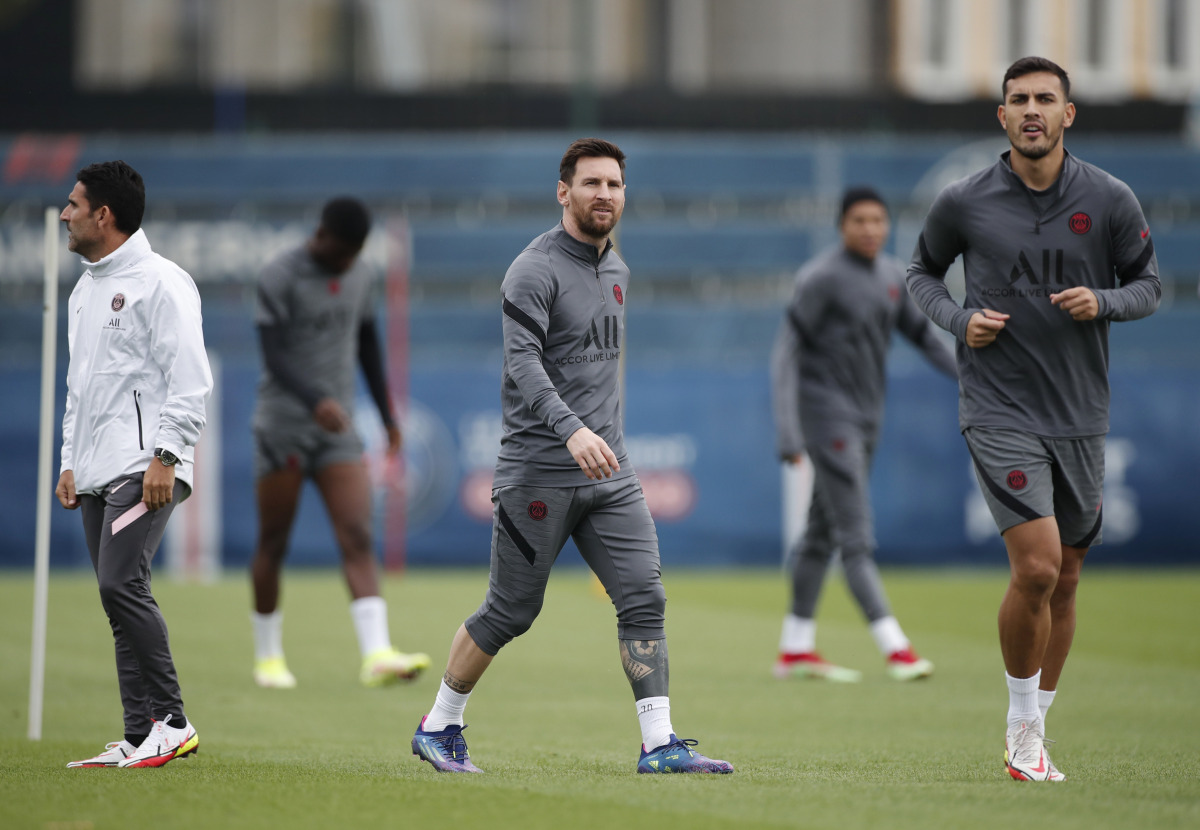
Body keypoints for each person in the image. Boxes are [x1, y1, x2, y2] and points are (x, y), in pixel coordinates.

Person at [410, 138, 732, 775]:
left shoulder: (617, 268)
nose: (604, 195)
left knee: (644, 597)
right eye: (591, 184)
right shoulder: (532, 269)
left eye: (613, 184)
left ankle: (660, 744)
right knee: (512, 612)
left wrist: (602, 436)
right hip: (539, 474)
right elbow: (522, 364)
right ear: (564, 192)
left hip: (611, 473)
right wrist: (572, 431)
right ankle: (439, 724)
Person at [906, 57, 1160, 782]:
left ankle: (1035, 728)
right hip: (997, 407)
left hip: (1080, 412)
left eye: (1046, 99)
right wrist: (958, 320)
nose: (1032, 111)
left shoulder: (1110, 198)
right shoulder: (964, 200)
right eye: (1018, 100)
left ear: (1068, 114)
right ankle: (1021, 726)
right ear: (1002, 116)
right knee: (1040, 566)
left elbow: (1149, 286)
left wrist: (1103, 301)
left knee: (1069, 577)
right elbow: (920, 274)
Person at [56, 160, 213, 768]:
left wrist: (168, 457)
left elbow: (190, 380)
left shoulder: (163, 281)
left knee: (121, 583)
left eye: (73, 204)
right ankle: (138, 734)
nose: (64, 214)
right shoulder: (83, 290)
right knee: (117, 595)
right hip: (96, 471)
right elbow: (80, 389)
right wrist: (70, 461)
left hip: (145, 467)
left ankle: (173, 723)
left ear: (104, 214)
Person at [772, 187, 957, 684]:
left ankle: (794, 649)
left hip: (867, 419)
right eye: (860, 220)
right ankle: (895, 648)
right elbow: (785, 355)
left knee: (820, 533)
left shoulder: (894, 276)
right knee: (856, 537)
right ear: (842, 226)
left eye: (879, 220)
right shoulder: (821, 278)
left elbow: (923, 337)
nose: (871, 228)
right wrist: (789, 431)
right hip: (828, 421)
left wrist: (972, 376)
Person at [249, 197, 430, 689]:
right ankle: (268, 657)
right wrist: (313, 401)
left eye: (356, 254)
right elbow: (273, 353)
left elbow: (367, 342)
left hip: (339, 429)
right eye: (343, 252)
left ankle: (376, 654)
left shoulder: (360, 275)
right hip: (284, 425)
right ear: (321, 235)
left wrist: (387, 414)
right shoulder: (279, 274)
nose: (348, 262)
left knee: (356, 534)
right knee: (274, 541)